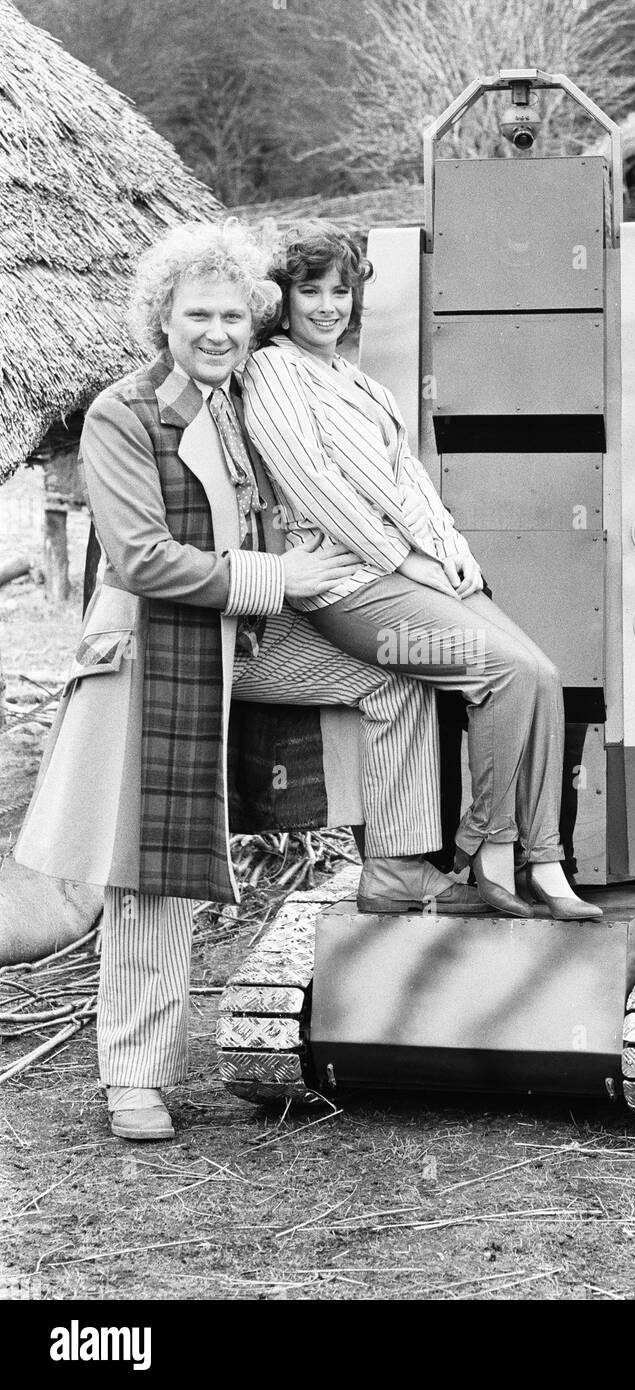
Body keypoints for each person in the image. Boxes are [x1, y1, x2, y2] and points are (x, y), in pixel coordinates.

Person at [14, 221, 481, 1143]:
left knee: (407, 671)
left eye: (233, 313)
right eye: (199, 314)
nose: (218, 329)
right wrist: (280, 579)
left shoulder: (241, 400)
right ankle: (134, 1081)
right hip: (155, 655)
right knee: (153, 874)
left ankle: (391, 877)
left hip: (248, 642)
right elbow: (145, 560)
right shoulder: (124, 412)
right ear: (163, 318)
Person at [241, 219, 603, 925]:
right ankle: (489, 850)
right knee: (499, 672)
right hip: (350, 583)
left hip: (418, 568)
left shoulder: (359, 384)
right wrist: (408, 559)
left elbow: (410, 483)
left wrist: (449, 549)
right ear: (282, 299)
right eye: (309, 290)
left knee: (542, 677)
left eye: (340, 291)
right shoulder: (272, 370)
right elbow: (315, 488)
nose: (326, 306)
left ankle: (545, 858)